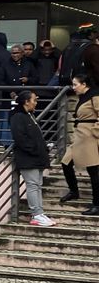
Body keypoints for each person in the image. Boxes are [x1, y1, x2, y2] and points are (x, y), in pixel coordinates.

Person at [9, 91, 55, 226]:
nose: (36, 103)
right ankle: (36, 214)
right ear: (26, 102)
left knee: (37, 185)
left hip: (36, 157)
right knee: (33, 185)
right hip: (28, 157)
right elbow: (20, 138)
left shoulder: (29, 116)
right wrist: (35, 150)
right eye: (34, 100)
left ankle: (39, 212)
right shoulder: (18, 117)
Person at [59, 75, 99, 216]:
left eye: (76, 84)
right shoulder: (84, 96)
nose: (73, 87)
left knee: (93, 170)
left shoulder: (94, 96)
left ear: (84, 84)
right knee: (66, 162)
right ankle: (74, 191)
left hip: (89, 136)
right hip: (80, 136)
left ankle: (97, 203)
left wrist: (95, 132)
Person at [0, 45, 39, 145]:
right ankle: (6, 142)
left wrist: (28, 80)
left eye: (17, 53)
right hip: (8, 97)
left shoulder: (29, 64)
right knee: (8, 119)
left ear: (22, 53)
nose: (14, 55)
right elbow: (0, 80)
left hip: (25, 98)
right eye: (13, 53)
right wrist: (10, 91)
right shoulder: (5, 65)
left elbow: (36, 78)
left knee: (24, 119)